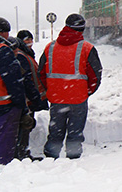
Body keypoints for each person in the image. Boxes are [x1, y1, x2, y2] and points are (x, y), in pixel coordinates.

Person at [39, 14, 102, 159]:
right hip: (78, 99)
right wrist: (86, 92)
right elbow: (95, 76)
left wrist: (51, 90)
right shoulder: (87, 48)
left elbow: (41, 73)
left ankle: (50, 157)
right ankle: (73, 159)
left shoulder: (50, 47)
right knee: (75, 132)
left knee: (55, 131)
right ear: (82, 29)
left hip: (56, 99)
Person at [0, 17, 43, 165]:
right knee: (4, 143)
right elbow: (14, 82)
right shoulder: (1, 49)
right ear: (3, 33)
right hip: (3, 104)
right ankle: (3, 171)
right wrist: (22, 107)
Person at [13, 31, 48, 160]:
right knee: (24, 126)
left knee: (25, 125)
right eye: (26, 40)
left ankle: (21, 152)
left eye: (31, 40)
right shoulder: (21, 56)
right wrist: (34, 97)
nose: (30, 43)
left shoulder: (25, 54)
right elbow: (26, 79)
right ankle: (21, 153)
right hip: (26, 100)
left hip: (27, 99)